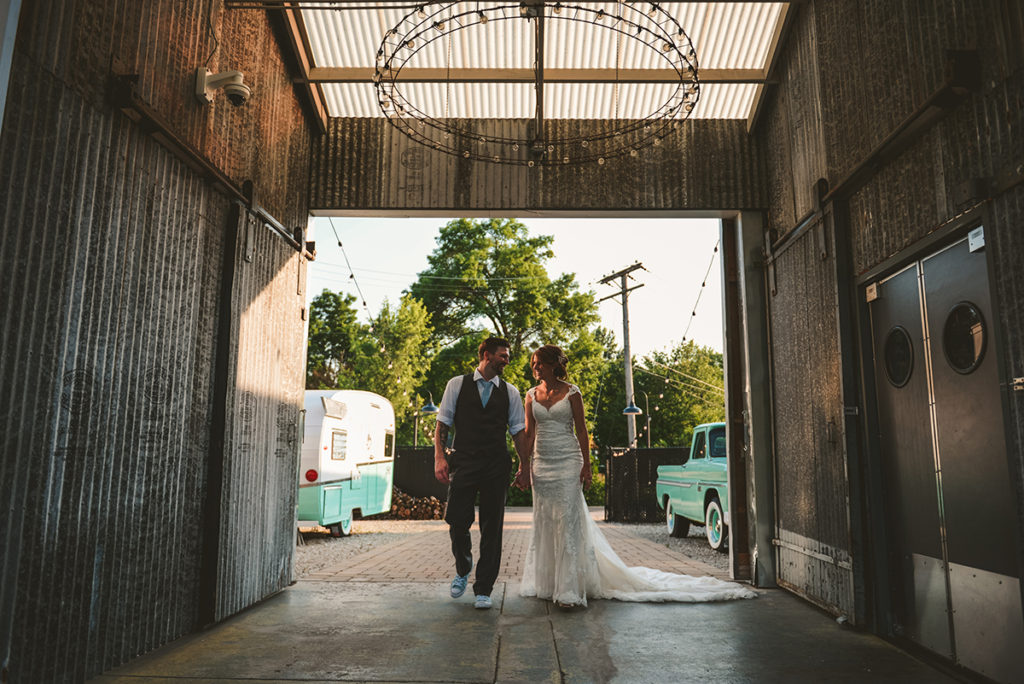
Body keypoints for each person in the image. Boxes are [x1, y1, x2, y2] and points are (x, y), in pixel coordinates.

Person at [517, 344, 757, 607]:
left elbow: (583, 432)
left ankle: (568, 589)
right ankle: (548, 582)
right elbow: (529, 434)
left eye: (538, 362)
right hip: (542, 464)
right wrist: (522, 466)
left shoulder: (572, 392)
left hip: (567, 462)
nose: (534, 367)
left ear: (553, 364)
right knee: (546, 521)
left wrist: (586, 466)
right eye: (533, 363)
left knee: (568, 521)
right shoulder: (530, 395)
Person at [434, 336, 530, 609]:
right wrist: (439, 458)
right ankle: (463, 567)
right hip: (463, 461)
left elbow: (518, 433)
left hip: (496, 465)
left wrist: (525, 466)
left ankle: (484, 588)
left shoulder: (510, 392)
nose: (507, 360)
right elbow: (442, 426)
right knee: (456, 519)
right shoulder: (457, 384)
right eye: (502, 355)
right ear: (486, 355)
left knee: (492, 527)